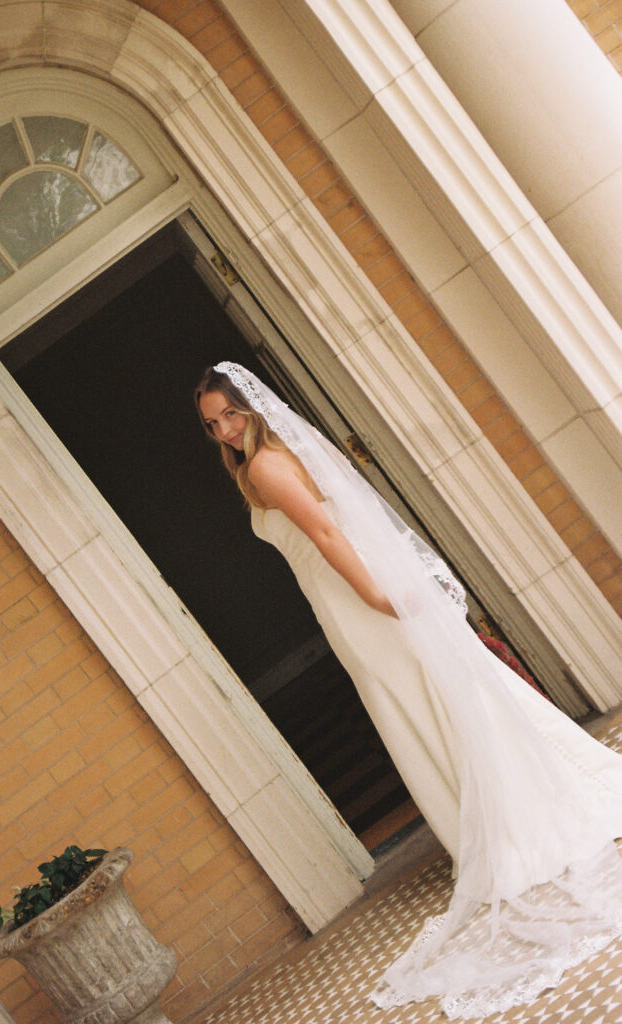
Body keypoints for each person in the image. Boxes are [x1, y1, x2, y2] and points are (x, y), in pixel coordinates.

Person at [195, 361, 622, 1020]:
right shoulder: (274, 457)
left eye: (231, 415)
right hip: (349, 601)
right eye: (212, 424)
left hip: (356, 601)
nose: (224, 430)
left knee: (426, 706)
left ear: (253, 409)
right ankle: (505, 809)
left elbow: (328, 532)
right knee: (443, 700)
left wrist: (374, 594)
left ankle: (502, 828)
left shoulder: (264, 469)